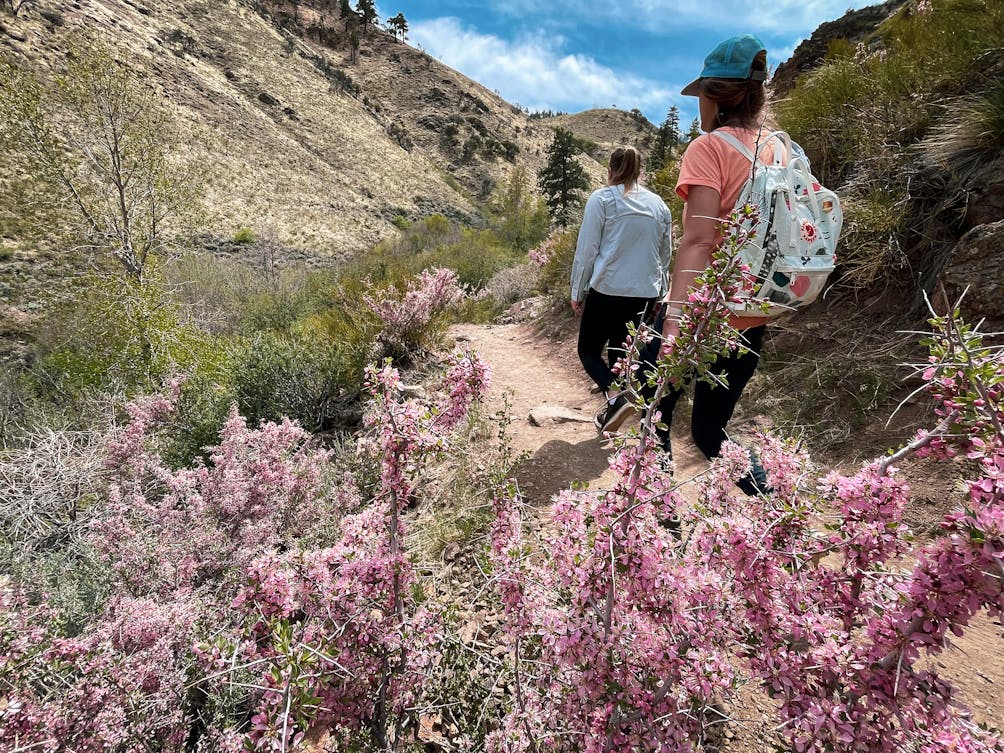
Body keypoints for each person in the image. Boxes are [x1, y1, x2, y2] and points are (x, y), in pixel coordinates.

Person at [655, 33, 777, 495]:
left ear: (713, 96)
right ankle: (779, 514)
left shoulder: (709, 149)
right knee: (710, 432)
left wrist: (673, 322)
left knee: (653, 416)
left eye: (700, 95)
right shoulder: (781, 150)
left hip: (705, 314)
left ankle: (658, 535)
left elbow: (698, 240)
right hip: (755, 312)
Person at [570, 146, 673, 434]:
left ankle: (616, 399)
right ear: (641, 172)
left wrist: (577, 291)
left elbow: (587, 251)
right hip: (644, 293)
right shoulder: (659, 206)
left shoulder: (602, 200)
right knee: (620, 353)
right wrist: (660, 293)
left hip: (608, 289)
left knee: (589, 351)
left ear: (610, 171)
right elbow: (665, 254)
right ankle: (615, 413)